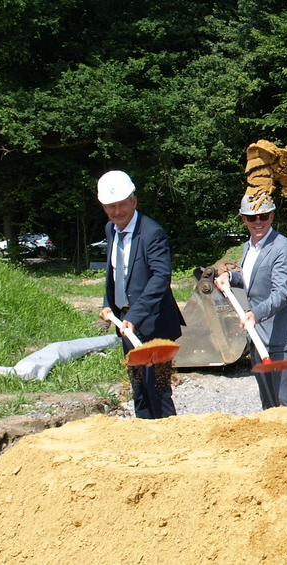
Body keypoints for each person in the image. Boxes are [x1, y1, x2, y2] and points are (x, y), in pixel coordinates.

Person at [97, 170, 184, 419]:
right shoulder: (111, 230)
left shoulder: (151, 233)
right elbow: (115, 273)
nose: (117, 212)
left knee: (158, 390)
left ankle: (172, 442)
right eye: (110, 206)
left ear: (134, 201)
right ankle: (146, 442)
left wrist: (134, 315)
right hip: (127, 324)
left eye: (122, 205)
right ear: (103, 206)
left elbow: (160, 279)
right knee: (139, 389)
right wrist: (108, 305)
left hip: (154, 324)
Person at [215, 194, 287, 409]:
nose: (258, 222)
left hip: (282, 338)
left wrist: (256, 313)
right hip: (258, 336)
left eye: (263, 216)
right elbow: (252, 279)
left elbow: (281, 293)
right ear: (243, 219)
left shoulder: (283, 248)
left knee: (285, 401)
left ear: (272, 216)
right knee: (268, 402)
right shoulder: (249, 247)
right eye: (251, 217)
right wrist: (231, 277)